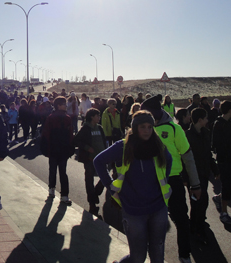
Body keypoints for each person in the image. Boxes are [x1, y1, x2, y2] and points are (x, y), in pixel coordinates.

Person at [94, 110, 172, 263]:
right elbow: (98, 161)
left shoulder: (158, 146)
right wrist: (111, 188)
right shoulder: (123, 147)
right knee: (138, 257)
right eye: (143, 126)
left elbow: (168, 162)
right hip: (133, 210)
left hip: (158, 208)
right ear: (135, 128)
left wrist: (164, 182)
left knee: (158, 255)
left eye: (150, 127)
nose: (147, 131)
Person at [140, 94, 201, 263]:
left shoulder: (175, 129)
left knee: (181, 219)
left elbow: (188, 157)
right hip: (151, 182)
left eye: (148, 113)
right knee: (151, 223)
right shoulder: (143, 129)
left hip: (173, 180)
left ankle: (184, 255)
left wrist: (195, 184)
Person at [185, 108, 219, 244]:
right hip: (193, 175)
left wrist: (215, 169)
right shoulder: (188, 135)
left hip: (204, 173)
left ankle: (200, 222)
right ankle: (195, 227)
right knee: (196, 201)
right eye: (205, 118)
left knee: (203, 200)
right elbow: (185, 158)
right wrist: (186, 179)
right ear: (200, 120)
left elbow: (208, 154)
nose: (207, 120)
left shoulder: (206, 133)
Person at [212, 100, 231, 225]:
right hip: (225, 160)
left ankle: (220, 197)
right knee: (227, 185)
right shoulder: (219, 124)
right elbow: (216, 144)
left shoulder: (230, 123)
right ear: (229, 110)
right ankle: (224, 213)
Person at [40, 96, 74, 205]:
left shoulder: (51, 118)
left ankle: (51, 190)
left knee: (53, 170)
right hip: (63, 149)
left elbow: (46, 134)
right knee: (63, 172)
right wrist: (70, 148)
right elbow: (70, 135)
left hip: (53, 149)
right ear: (58, 105)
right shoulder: (67, 118)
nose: (65, 105)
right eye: (64, 104)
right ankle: (64, 195)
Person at [74, 108, 106, 215]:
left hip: (101, 158)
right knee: (89, 180)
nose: (99, 117)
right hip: (89, 158)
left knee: (104, 179)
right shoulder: (85, 128)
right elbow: (77, 141)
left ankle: (95, 193)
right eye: (97, 115)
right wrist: (87, 148)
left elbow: (104, 141)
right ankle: (92, 203)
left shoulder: (100, 128)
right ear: (92, 117)